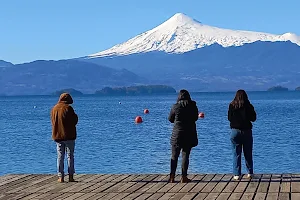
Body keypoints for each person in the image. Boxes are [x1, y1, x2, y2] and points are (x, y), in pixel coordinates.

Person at [168, 89, 199, 183]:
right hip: (189, 133)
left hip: (177, 134)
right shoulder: (193, 106)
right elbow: (195, 118)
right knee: (186, 155)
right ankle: (184, 177)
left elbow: (170, 119)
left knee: (174, 156)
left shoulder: (175, 106)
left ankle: (172, 176)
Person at [228, 89, 256, 180]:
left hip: (235, 131)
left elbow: (229, 118)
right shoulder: (248, 106)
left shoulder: (232, 105)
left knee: (236, 153)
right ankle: (250, 172)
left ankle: (237, 174)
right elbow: (253, 118)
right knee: (248, 152)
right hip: (246, 131)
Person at [51, 93, 78, 183]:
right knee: (70, 156)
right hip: (69, 136)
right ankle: (71, 176)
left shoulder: (54, 109)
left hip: (58, 136)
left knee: (60, 156)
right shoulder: (68, 108)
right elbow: (74, 120)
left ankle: (60, 176)